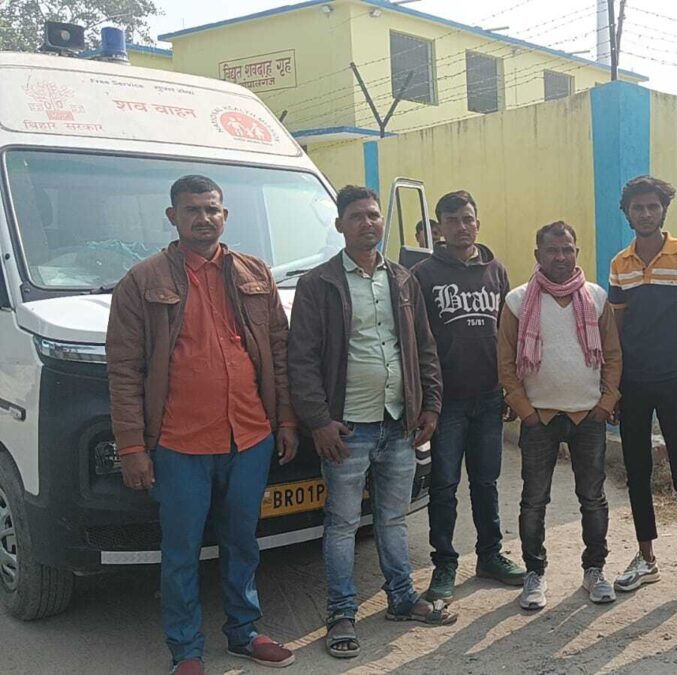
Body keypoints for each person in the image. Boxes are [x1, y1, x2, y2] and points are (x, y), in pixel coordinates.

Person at [106, 175, 300, 674]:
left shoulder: (255, 273)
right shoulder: (141, 282)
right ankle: (186, 650)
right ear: (172, 217)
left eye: (211, 209)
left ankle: (244, 631)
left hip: (250, 436)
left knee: (243, 541)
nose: (203, 217)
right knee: (181, 551)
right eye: (191, 209)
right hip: (179, 444)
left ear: (224, 215)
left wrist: (285, 419)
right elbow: (123, 370)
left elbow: (279, 353)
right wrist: (132, 446)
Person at [288, 186, 453, 660]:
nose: (368, 223)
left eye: (374, 216)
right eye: (357, 216)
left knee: (393, 518)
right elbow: (301, 360)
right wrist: (319, 421)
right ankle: (342, 612)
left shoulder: (402, 279)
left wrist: (430, 406)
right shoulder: (319, 284)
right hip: (347, 429)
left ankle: (401, 598)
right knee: (342, 523)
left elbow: (423, 347)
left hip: (399, 423)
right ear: (339, 225)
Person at [498, 221, 622, 610]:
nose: (560, 257)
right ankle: (534, 573)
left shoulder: (596, 297)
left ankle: (594, 570)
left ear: (576, 253)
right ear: (538, 255)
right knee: (534, 500)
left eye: (567, 249)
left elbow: (612, 354)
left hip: (588, 417)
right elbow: (505, 363)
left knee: (593, 498)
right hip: (540, 418)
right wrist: (525, 412)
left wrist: (606, 402)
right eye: (552, 250)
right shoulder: (518, 301)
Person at [607, 176, 677, 610]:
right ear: (627, 213)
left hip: (675, 381)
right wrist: (614, 385)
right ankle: (647, 558)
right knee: (637, 472)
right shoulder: (620, 264)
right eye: (638, 208)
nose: (646, 213)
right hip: (633, 383)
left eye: (653, 206)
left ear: (663, 210)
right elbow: (616, 330)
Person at [412, 191, 523, 602]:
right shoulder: (423, 275)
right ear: (439, 227)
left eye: (468, 218)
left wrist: (511, 388)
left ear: (478, 223)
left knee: (486, 481)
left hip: (490, 397)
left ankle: (490, 555)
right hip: (446, 403)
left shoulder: (496, 271)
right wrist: (427, 401)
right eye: (452, 220)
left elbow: (508, 336)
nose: (462, 226)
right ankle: (444, 564)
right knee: (444, 485)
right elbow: (418, 342)